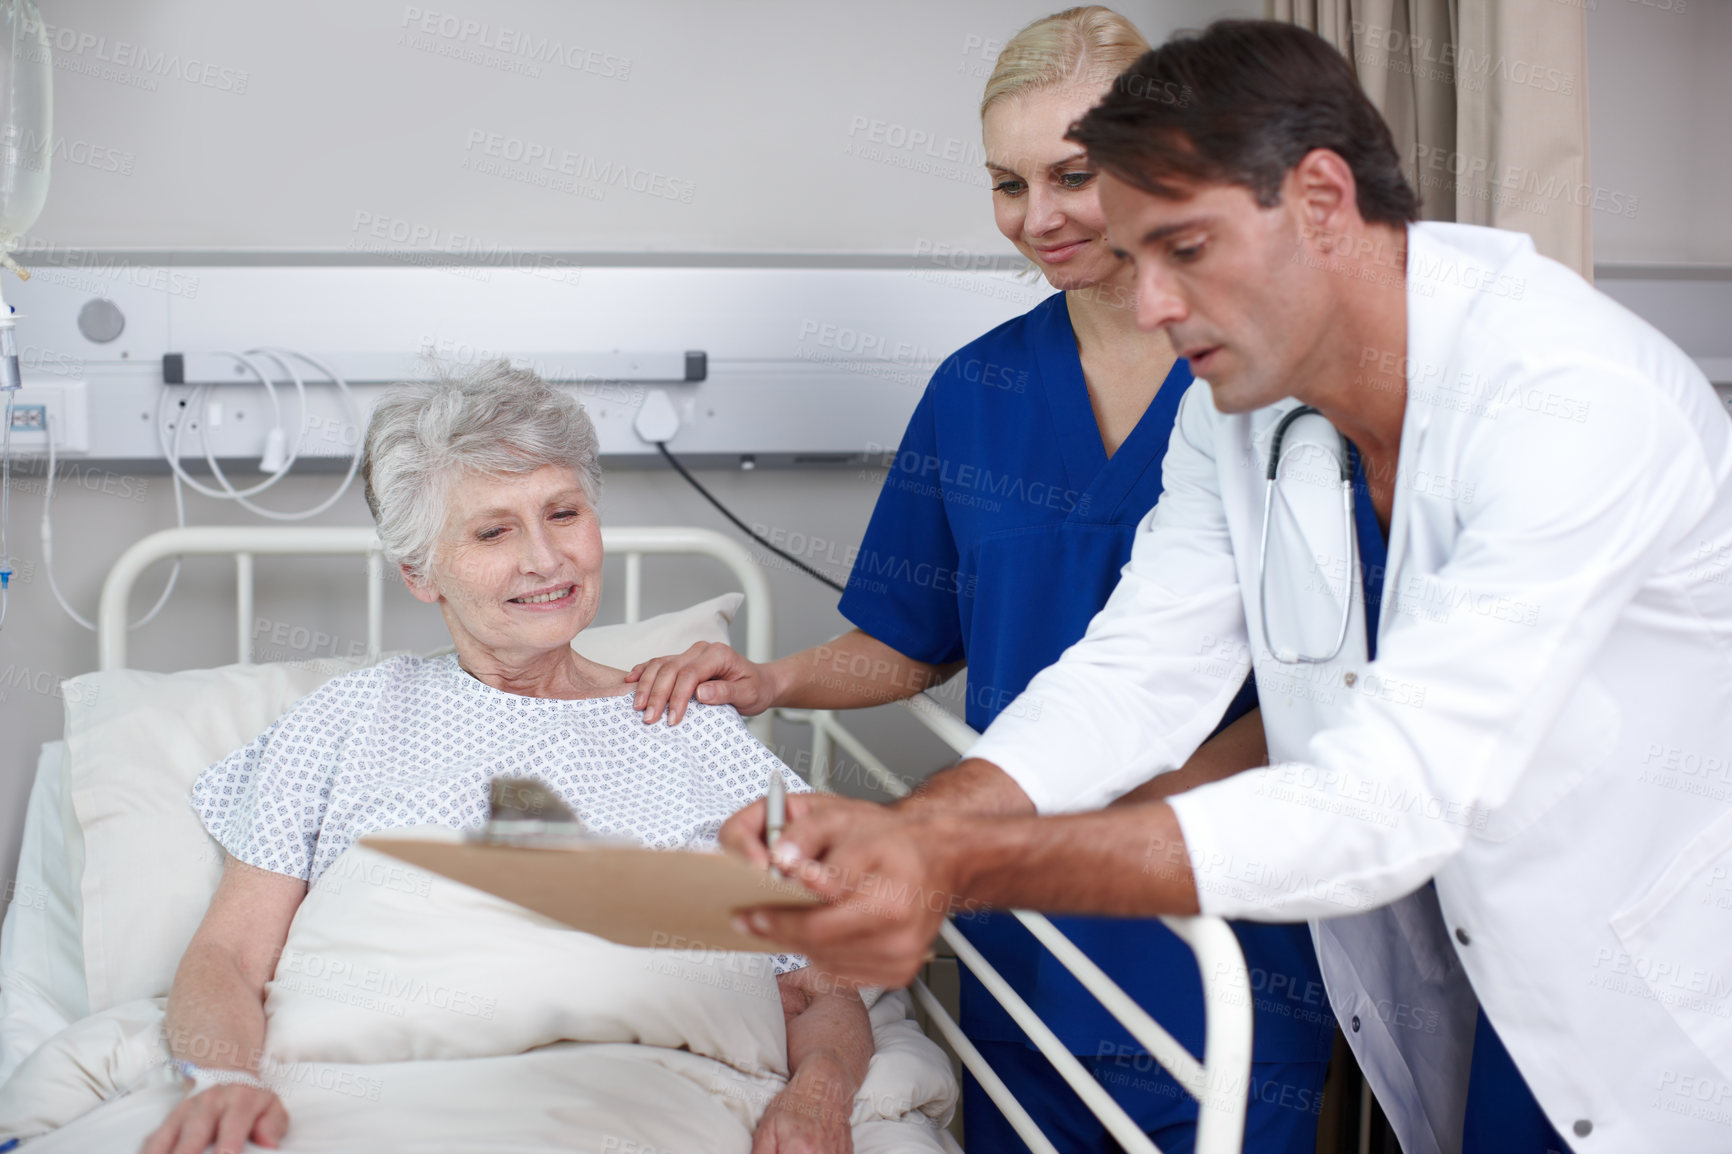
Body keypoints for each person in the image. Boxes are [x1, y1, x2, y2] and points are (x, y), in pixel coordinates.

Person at [722, 19, 1732, 1154]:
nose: (1149, 304)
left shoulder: (1570, 399)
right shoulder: (1238, 406)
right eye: (1136, 253)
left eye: (1184, 249)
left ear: (1318, 198)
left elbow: (1386, 792)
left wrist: (955, 860)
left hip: (1635, 988)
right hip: (1458, 958)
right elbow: (1136, 667)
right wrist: (908, 826)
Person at [628, 9, 1332, 1151]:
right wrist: (769, 678)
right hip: (1018, 931)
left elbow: (1326, 673)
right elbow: (916, 635)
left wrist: (1120, 820)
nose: (1038, 217)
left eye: (1073, 173)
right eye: (1008, 183)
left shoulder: (1265, 387)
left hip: (1211, 912)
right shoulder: (977, 390)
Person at [141, 364, 872, 1154]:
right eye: (493, 531)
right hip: (364, 1098)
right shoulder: (345, 721)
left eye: (563, 513)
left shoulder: (689, 727)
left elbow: (814, 984)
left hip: (642, 1102)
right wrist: (223, 1083)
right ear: (419, 574)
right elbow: (227, 954)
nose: (546, 558)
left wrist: (818, 1098)